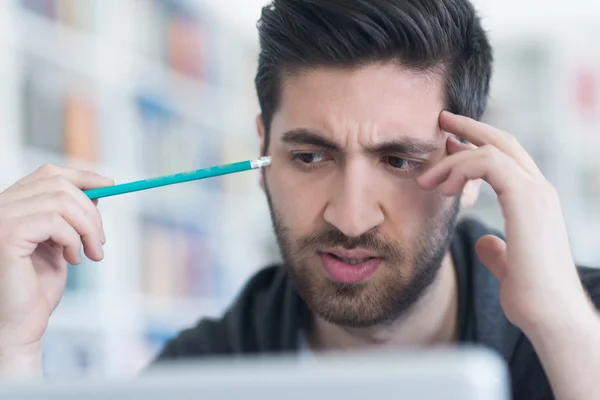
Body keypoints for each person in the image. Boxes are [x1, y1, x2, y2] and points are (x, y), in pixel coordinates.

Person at [0, 0, 598, 398]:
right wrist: (13, 343)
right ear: (263, 151)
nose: (350, 215)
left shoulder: (579, 323)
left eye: (398, 161)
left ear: (471, 170)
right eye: (310, 157)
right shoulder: (204, 372)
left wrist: (564, 330)